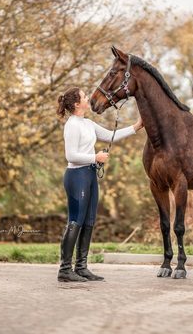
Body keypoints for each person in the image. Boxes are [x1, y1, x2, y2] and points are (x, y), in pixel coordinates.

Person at [56, 87, 144, 282]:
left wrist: (136, 126)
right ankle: (64, 269)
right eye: (84, 96)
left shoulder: (88, 123)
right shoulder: (72, 125)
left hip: (89, 174)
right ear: (77, 104)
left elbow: (110, 135)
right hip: (76, 175)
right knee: (75, 220)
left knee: (89, 221)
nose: (88, 97)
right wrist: (94, 157)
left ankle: (81, 267)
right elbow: (70, 156)